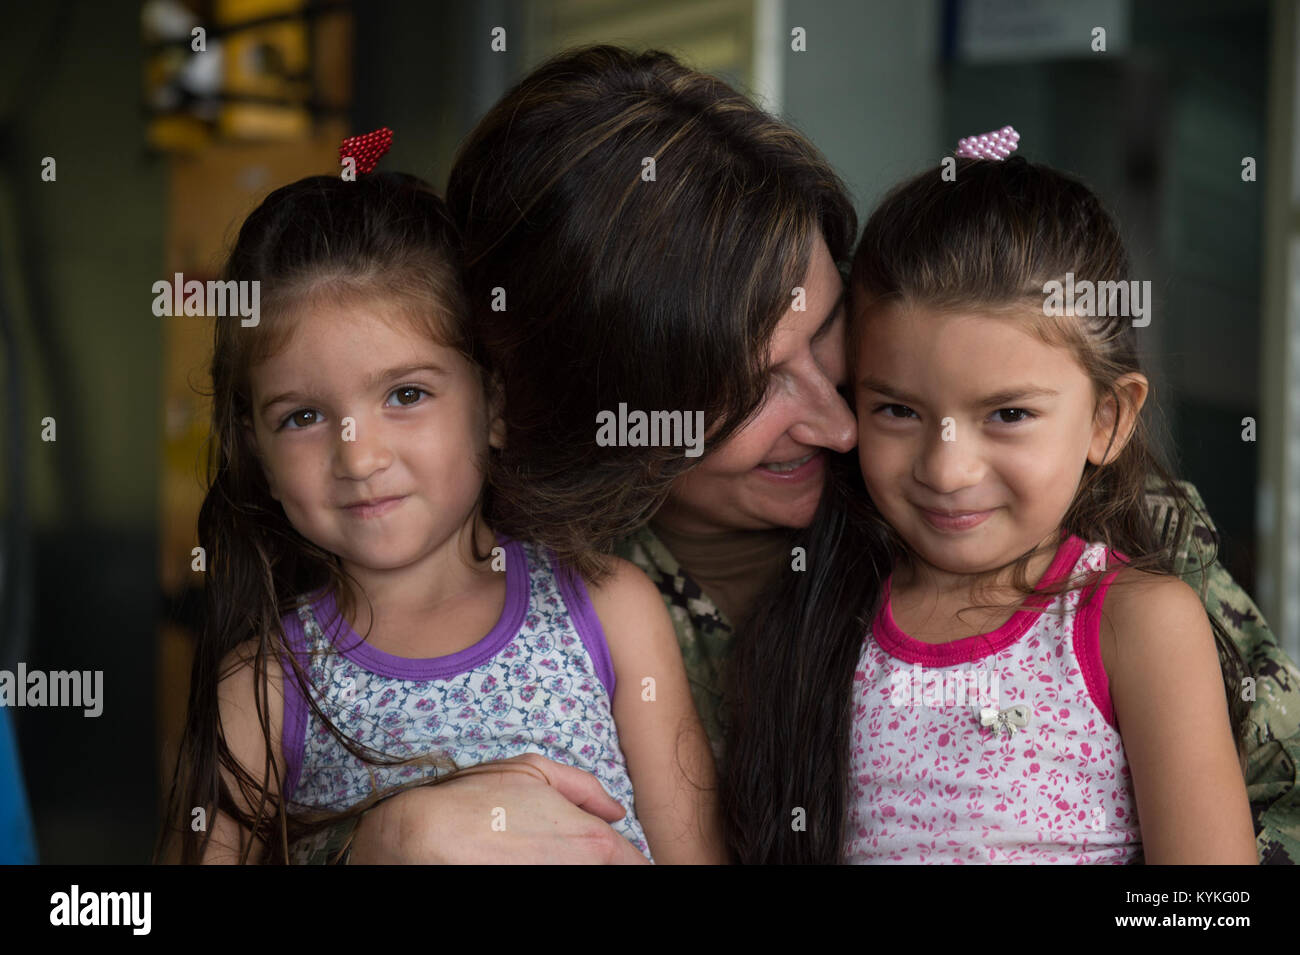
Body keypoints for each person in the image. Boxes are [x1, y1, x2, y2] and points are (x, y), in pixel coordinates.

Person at [291, 46, 1300, 865]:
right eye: (750, 386)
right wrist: (372, 846)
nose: (841, 423)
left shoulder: (1069, 516)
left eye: (825, 332)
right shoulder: (447, 572)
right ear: (588, 421)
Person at [156, 169, 723, 865]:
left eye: (406, 393)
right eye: (303, 416)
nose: (358, 456)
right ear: (258, 452)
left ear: (493, 403)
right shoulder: (264, 685)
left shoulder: (608, 610)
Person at [724, 149, 1263, 864]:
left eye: (1007, 413)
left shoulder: (1138, 625)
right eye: (896, 410)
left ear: (1106, 418)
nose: (947, 469)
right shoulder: (823, 615)